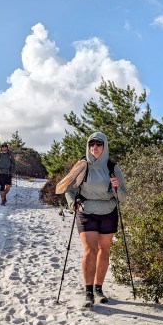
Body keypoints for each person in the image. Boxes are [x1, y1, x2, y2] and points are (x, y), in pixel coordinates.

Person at [63, 132, 126, 308]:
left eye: (99, 144)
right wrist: (71, 203)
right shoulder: (82, 166)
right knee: (90, 250)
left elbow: (122, 198)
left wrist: (117, 187)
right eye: (92, 143)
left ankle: (99, 289)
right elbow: (68, 188)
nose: (95, 147)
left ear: (104, 146)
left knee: (104, 251)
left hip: (109, 211)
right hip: (86, 211)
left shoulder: (113, 167)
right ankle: (88, 292)